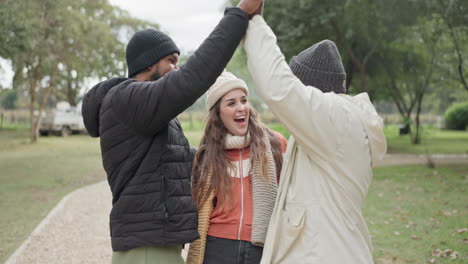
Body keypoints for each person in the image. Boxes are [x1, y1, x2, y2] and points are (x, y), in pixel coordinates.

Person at [81, 1, 263, 263]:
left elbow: (184, 161)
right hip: (147, 252)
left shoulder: (148, 114)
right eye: (171, 61)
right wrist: (238, 16)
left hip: (158, 248)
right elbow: (192, 78)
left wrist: (233, 145)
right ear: (147, 63)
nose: (176, 69)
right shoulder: (128, 99)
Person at [243, 16, 387, 264]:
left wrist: (253, 22)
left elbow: (278, 88)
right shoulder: (330, 127)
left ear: (310, 91)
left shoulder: (335, 120)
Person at [186, 71, 288, 264]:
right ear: (218, 112)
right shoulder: (208, 154)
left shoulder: (275, 144)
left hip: (262, 246)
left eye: (244, 100)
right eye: (231, 103)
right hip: (218, 247)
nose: (241, 108)